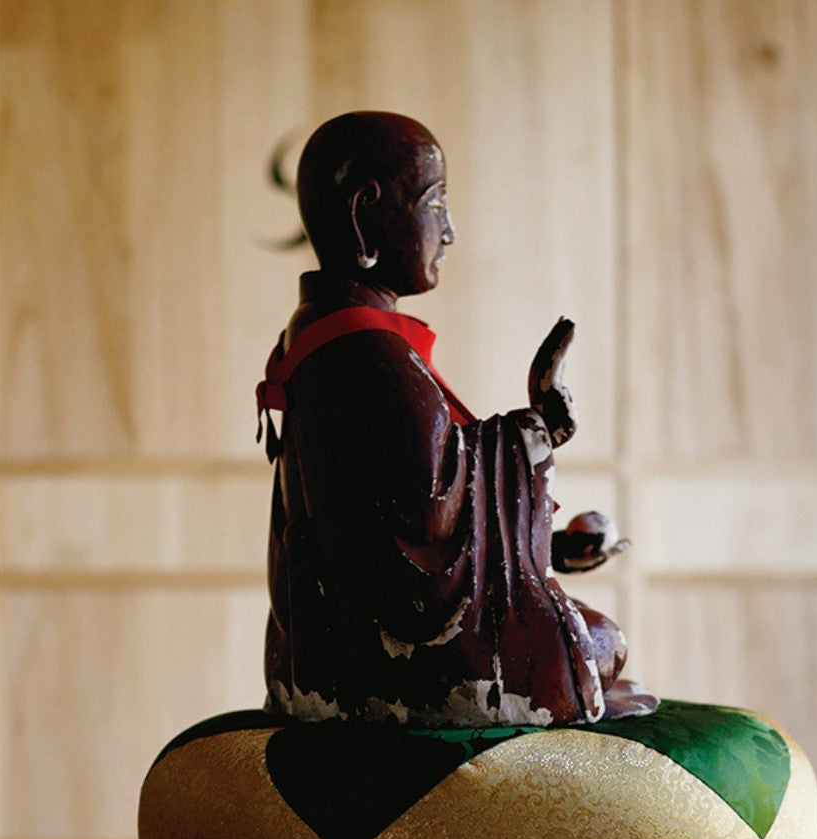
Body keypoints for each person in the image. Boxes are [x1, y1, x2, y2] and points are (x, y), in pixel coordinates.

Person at [257, 111, 653, 726]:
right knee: (604, 642)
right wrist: (536, 432)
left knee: (598, 638)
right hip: (387, 663)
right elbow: (429, 518)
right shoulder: (365, 351)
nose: (450, 232)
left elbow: (402, 505)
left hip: (332, 645)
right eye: (435, 203)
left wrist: (544, 542)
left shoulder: (328, 338)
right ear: (366, 216)